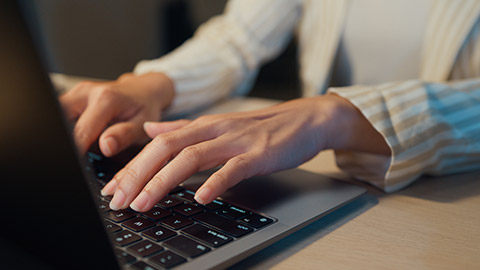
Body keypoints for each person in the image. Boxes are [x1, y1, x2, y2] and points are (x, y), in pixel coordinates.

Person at [60, 0, 480, 212]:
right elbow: (238, 37)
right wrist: (151, 86)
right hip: (326, 173)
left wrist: (332, 114)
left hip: (451, 195)